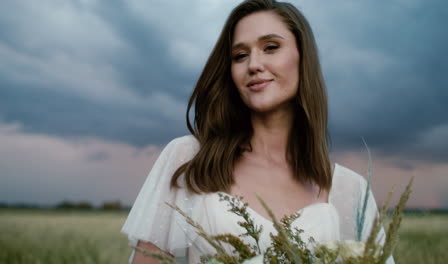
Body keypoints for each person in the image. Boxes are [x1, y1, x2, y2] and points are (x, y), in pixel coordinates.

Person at [122, 0, 395, 263]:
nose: (253, 64)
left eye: (271, 47)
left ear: (303, 57)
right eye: (240, 55)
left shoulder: (351, 191)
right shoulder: (189, 159)